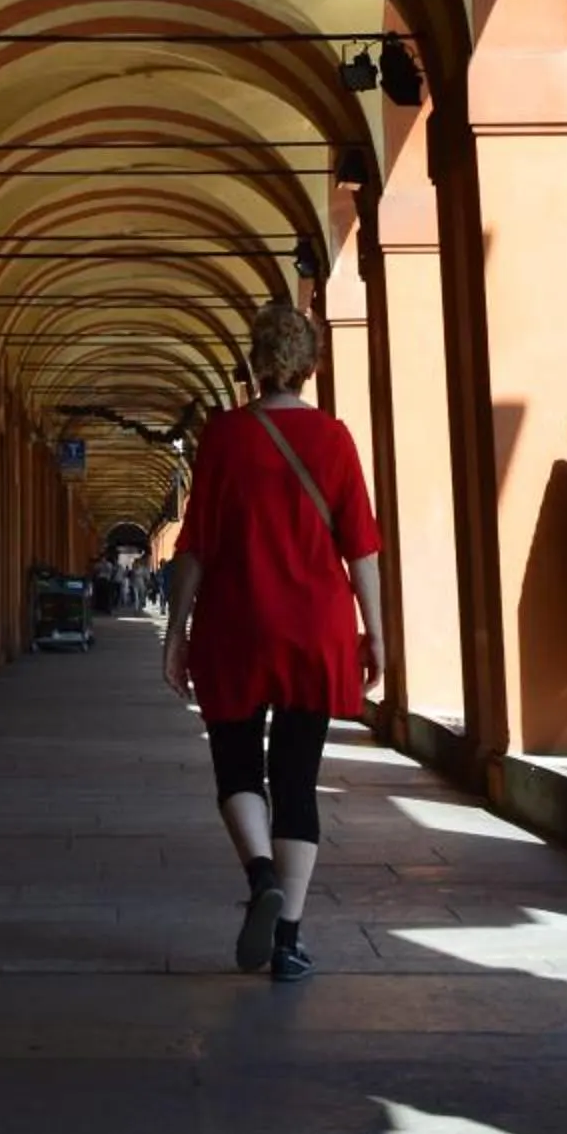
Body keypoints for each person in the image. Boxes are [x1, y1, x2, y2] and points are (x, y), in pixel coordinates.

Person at [161, 300, 384, 982]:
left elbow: (194, 545)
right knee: (297, 780)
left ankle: (262, 878)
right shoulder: (335, 438)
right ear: (310, 364)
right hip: (314, 626)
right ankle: (288, 941)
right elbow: (361, 547)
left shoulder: (225, 437)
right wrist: (376, 633)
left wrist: (176, 631)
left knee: (236, 769)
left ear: (256, 363)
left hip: (236, 623)